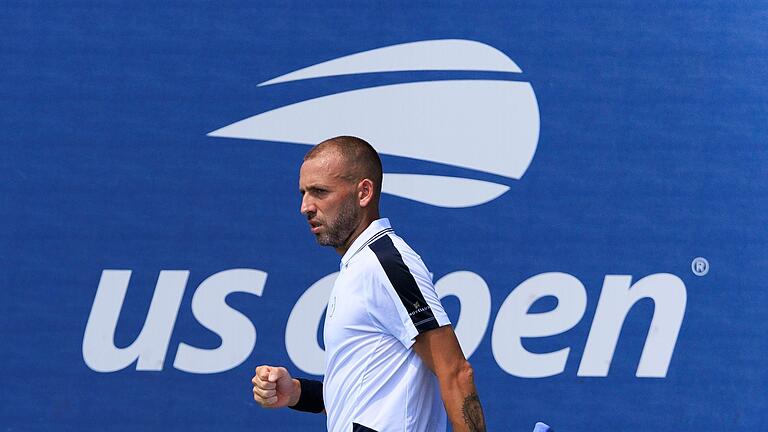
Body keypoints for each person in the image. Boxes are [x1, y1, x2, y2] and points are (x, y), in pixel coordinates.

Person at [252, 136, 486, 432]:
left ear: (363, 192)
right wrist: (297, 392)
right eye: (303, 193)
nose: (305, 207)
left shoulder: (385, 262)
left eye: (319, 192)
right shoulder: (360, 266)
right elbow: (367, 394)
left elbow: (456, 372)